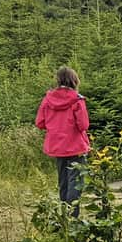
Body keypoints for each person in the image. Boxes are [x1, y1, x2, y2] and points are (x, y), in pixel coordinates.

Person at [35, 67, 90, 217]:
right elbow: (84, 125)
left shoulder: (48, 99)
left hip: (57, 146)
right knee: (75, 181)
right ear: (74, 80)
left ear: (58, 80)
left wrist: (54, 125)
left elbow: (40, 123)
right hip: (76, 146)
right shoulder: (77, 99)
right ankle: (72, 217)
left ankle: (64, 215)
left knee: (63, 182)